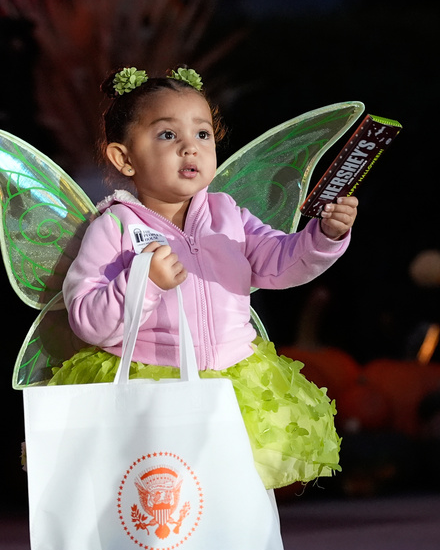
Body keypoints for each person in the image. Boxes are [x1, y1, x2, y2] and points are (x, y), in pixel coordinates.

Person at [51, 66, 357, 492]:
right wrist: (144, 282)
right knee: (169, 505)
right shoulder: (115, 227)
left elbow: (281, 262)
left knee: (232, 505)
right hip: (154, 393)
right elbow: (87, 319)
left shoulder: (228, 215)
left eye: (202, 134)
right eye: (167, 135)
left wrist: (324, 236)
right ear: (124, 158)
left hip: (235, 386)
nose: (189, 149)